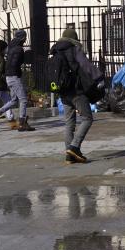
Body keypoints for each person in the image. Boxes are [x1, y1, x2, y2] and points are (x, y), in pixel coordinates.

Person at [51, 27, 98, 164]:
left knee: (69, 124)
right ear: (74, 38)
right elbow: (87, 66)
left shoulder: (56, 50)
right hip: (77, 91)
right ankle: (74, 147)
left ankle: (69, 155)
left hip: (63, 92)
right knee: (87, 118)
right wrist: (98, 78)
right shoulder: (74, 49)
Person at [5, 29, 34, 131]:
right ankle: (22, 123)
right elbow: (14, 64)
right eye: (25, 37)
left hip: (9, 76)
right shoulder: (18, 49)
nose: (25, 39)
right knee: (23, 100)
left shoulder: (11, 47)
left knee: (13, 100)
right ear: (22, 38)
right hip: (14, 76)